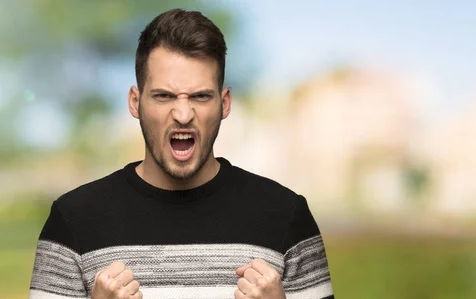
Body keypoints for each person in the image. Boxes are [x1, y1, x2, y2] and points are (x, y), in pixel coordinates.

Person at [29, 8, 335, 299]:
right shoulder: (72, 220)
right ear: (135, 102)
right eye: (164, 96)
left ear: (224, 103)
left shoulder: (286, 216)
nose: (184, 114)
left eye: (201, 96)